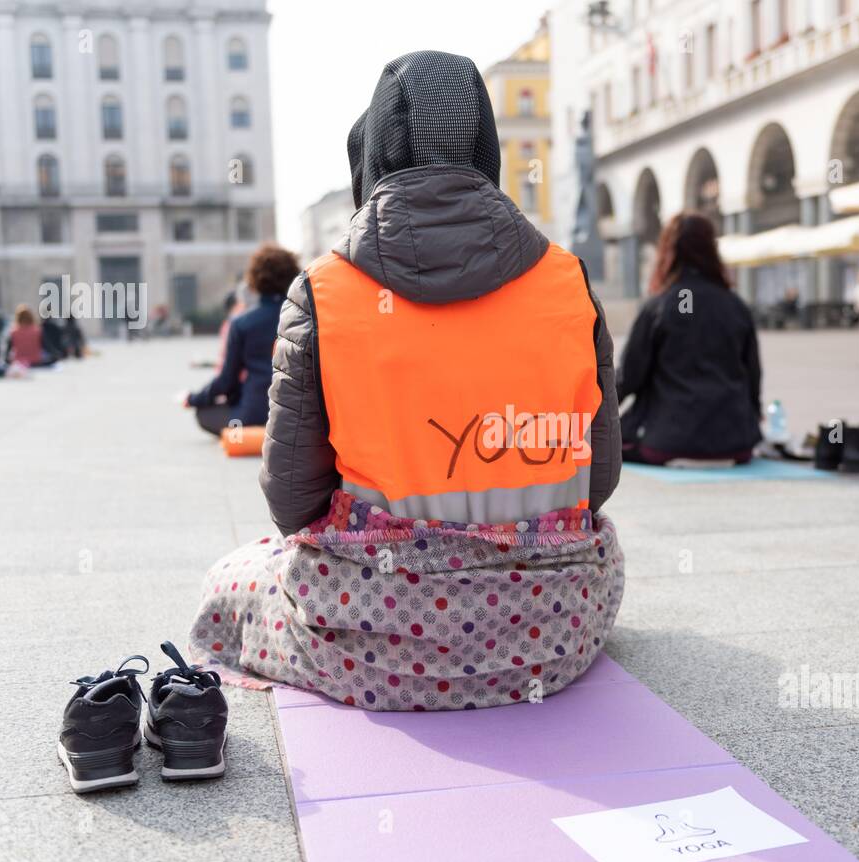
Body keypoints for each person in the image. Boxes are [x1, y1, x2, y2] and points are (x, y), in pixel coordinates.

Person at [185, 50, 623, 711]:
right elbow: (600, 479)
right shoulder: (566, 278)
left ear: (376, 153)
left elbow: (291, 500)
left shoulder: (325, 290)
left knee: (229, 579)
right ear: (487, 148)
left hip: (375, 635)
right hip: (550, 627)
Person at [616, 213, 761, 466]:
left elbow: (629, 377)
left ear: (668, 251)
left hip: (668, 442)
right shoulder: (736, 306)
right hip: (736, 444)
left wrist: (594, 416)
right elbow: (753, 375)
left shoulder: (659, 306)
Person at [184, 243, 298, 436]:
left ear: (254, 280)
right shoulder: (304, 318)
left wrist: (194, 398)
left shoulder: (242, 323)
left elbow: (226, 380)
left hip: (254, 414)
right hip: (297, 414)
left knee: (204, 414)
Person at [6, 305, 57, 370]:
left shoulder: (13, 332)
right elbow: (48, 347)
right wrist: (56, 355)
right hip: (36, 362)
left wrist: (8, 361)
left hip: (19, 363)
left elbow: (7, 352)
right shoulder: (38, 331)